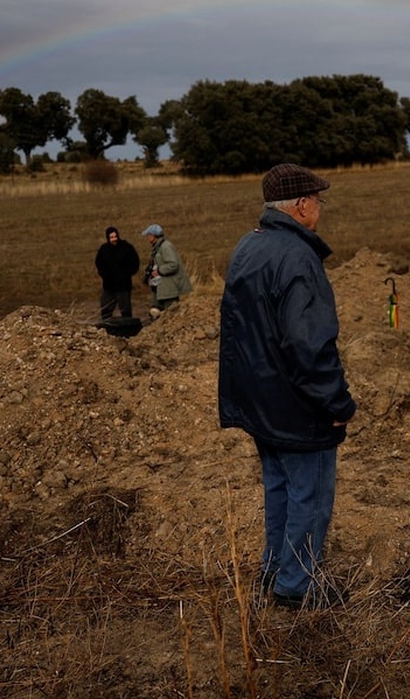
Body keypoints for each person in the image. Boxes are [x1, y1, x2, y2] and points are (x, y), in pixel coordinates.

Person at [217, 163, 357, 610]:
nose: (319, 208)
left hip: (260, 401)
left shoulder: (249, 245)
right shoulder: (298, 257)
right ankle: (298, 585)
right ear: (301, 205)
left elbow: (238, 329)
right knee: (309, 496)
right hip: (297, 405)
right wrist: (336, 403)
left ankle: (274, 570)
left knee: (280, 489)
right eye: (317, 200)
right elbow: (309, 343)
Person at [141, 223, 193, 316]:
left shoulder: (165, 246)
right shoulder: (158, 247)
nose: (147, 238)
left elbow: (173, 264)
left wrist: (159, 271)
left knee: (171, 314)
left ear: (153, 236)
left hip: (170, 289)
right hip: (162, 287)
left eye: (148, 235)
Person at [94, 226, 141, 319]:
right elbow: (99, 264)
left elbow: (135, 262)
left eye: (115, 236)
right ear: (108, 238)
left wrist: (127, 274)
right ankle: (106, 326)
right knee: (106, 309)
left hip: (123, 286)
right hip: (108, 286)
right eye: (111, 237)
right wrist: (104, 275)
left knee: (125, 310)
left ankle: (128, 326)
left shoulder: (126, 248)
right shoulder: (104, 249)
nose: (114, 239)